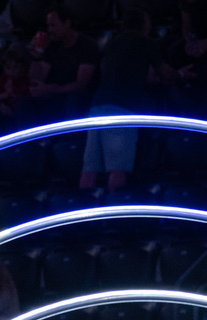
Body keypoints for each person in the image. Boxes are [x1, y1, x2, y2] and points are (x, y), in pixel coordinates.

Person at [78, 8, 180, 193]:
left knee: (90, 170)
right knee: (118, 168)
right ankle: (116, 215)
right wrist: (180, 74)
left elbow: (121, 72)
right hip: (121, 109)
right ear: (145, 25)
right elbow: (165, 73)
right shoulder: (147, 43)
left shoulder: (112, 43)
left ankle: (81, 214)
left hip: (96, 108)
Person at [26, 6, 99, 122]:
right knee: (25, 102)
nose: (49, 30)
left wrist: (51, 89)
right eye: (48, 26)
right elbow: (36, 79)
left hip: (76, 97)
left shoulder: (86, 45)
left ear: (67, 23)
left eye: (53, 25)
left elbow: (81, 85)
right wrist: (36, 57)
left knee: (73, 100)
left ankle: (69, 139)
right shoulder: (52, 45)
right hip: (53, 95)